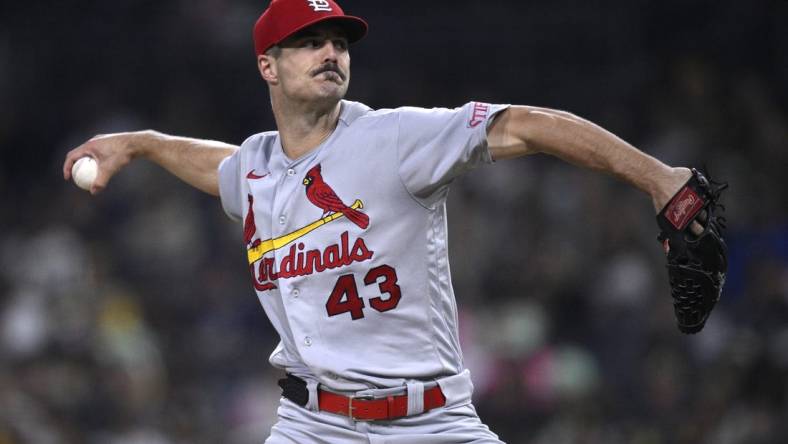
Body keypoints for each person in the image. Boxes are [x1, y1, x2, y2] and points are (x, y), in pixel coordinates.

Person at [63, 0, 693, 442]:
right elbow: (222, 168)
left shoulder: (395, 138)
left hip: (428, 424)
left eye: (338, 41)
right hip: (310, 425)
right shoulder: (257, 168)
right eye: (310, 42)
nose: (331, 51)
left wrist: (658, 177)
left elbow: (524, 124)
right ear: (267, 66)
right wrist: (142, 142)